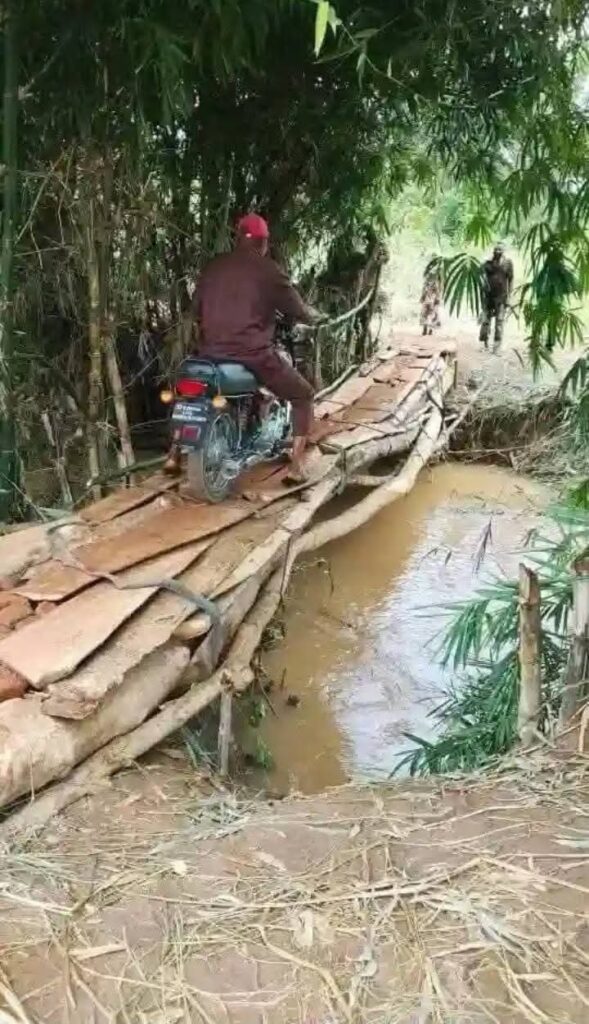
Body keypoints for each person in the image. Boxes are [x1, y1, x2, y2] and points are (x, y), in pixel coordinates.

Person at [164, 213, 319, 481]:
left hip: (209, 354)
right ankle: (296, 466)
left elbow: (195, 309)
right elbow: (298, 309)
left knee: (189, 396)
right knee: (303, 395)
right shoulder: (269, 270)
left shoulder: (213, 267)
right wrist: (313, 317)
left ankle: (173, 456)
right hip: (253, 356)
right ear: (264, 243)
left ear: (237, 239)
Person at [479, 242, 514, 352]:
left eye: (500, 251)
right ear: (493, 252)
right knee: (485, 321)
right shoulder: (488, 263)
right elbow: (480, 274)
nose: (498, 253)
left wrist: (509, 297)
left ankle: (496, 346)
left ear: (503, 252)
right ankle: (485, 342)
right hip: (488, 296)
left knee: (499, 321)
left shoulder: (507, 263)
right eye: (496, 251)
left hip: (501, 297)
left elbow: (510, 280)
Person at [420, 257, 442, 336]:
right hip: (431, 297)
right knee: (431, 313)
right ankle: (428, 329)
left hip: (430, 297)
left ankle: (427, 328)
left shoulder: (430, 273)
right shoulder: (437, 272)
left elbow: (425, 286)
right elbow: (439, 287)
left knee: (428, 313)